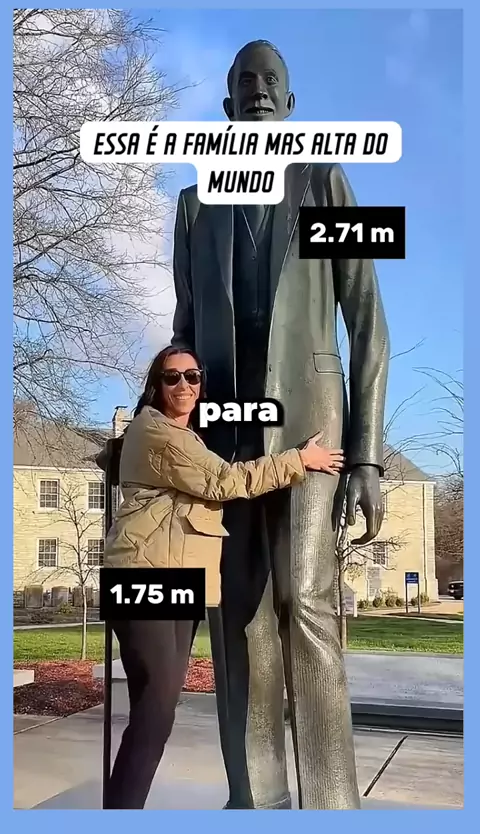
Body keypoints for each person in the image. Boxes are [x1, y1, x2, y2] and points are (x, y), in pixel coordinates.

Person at [171, 40, 390, 809]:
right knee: (237, 619)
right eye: (245, 81)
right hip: (223, 442)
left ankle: (332, 803)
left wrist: (368, 458)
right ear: (228, 105)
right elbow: (185, 333)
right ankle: (254, 801)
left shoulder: (327, 181)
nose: (258, 91)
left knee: (307, 604)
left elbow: (369, 326)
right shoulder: (194, 205)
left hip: (313, 436)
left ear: (290, 105)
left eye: (271, 81)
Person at [100, 345, 345, 810]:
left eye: (193, 376)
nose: (184, 385)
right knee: (155, 713)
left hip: (177, 576)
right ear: (156, 385)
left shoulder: (182, 432)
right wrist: (300, 459)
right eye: (172, 377)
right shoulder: (158, 432)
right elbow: (224, 482)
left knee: (155, 713)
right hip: (142, 576)